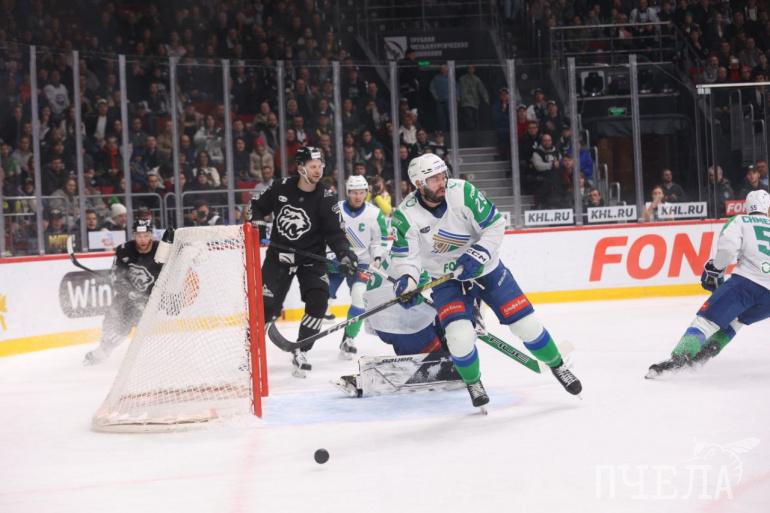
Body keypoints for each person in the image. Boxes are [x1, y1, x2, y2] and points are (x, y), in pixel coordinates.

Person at [389, 153, 582, 409]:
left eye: (443, 175)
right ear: (418, 183)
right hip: (446, 281)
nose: (442, 182)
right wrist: (407, 281)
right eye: (434, 179)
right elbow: (406, 258)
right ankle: (473, 381)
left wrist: (478, 253)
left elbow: (495, 224)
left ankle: (558, 366)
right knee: (459, 338)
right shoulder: (405, 215)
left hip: (487, 270)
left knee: (526, 326)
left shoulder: (463, 192)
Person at [250, 146, 357, 377]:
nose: (318, 171)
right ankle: (251, 352)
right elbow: (257, 206)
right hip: (278, 258)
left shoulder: (326, 197)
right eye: (313, 166)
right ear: (300, 168)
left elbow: (335, 234)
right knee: (265, 307)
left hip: (311, 260)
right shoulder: (280, 187)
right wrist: (256, 224)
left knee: (319, 302)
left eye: (320, 166)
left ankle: (302, 349)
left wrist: (345, 254)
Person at [647, 190, 770, 377]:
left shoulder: (740, 220)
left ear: (747, 206)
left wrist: (717, 268)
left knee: (706, 321)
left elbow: (727, 249)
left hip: (746, 283)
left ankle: (679, 359)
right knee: (736, 322)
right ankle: (703, 356)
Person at [83, 219, 167, 365]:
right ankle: (105, 347)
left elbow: (178, 264)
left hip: (149, 299)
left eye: (146, 235)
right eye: (139, 236)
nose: (142, 239)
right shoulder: (124, 250)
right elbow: (116, 277)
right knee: (110, 320)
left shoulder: (162, 250)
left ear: (151, 235)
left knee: (124, 324)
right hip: (125, 296)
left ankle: (103, 351)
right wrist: (129, 292)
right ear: (134, 235)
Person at [328, 176, 389, 359]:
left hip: (362, 262)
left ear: (366, 193)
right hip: (337, 260)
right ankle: (304, 345)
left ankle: (348, 339)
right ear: (348, 192)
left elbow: (380, 240)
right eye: (354, 192)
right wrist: (331, 255)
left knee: (359, 297)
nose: (358, 196)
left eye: (361, 192)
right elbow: (324, 234)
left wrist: (377, 257)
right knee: (321, 299)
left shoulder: (374, 213)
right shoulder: (335, 210)